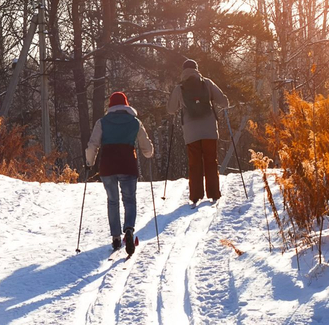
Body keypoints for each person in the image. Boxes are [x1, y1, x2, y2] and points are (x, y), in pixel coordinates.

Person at [86, 91, 154, 255]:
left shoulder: (102, 122)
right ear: (126, 105)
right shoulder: (134, 122)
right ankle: (129, 230)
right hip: (128, 165)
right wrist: (148, 153)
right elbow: (147, 147)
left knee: (113, 201)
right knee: (129, 199)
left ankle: (116, 237)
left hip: (108, 166)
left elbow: (93, 144)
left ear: (110, 106)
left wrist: (90, 162)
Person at [167, 59, 229, 205]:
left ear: (183, 71)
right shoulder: (207, 83)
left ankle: (195, 196)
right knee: (211, 161)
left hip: (191, 131)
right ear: (196, 69)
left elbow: (170, 110)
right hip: (209, 130)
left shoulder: (180, 88)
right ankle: (214, 194)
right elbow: (224, 102)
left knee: (194, 163)